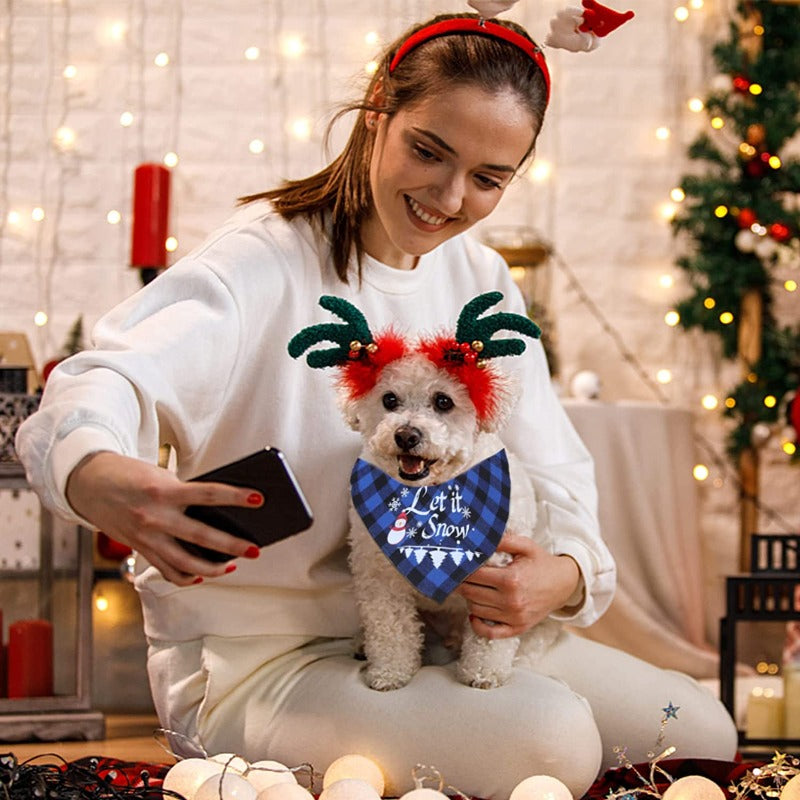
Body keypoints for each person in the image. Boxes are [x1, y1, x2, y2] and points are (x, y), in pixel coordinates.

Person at [16, 12, 737, 799]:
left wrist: (559, 577)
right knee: (553, 739)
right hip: (268, 663)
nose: (448, 197)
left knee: (701, 731)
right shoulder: (259, 261)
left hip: (452, 630)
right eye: (428, 151)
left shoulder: (483, 280)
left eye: (488, 179)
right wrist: (98, 476)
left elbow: (557, 470)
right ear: (375, 114)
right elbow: (102, 378)